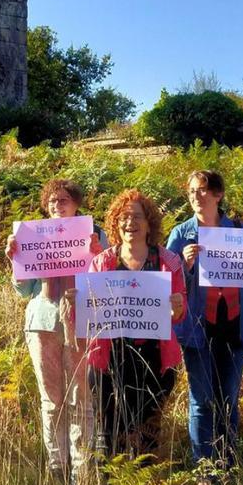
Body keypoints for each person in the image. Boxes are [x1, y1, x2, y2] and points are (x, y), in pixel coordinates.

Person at [6, 179, 106, 485]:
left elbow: (103, 279)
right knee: (51, 399)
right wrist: (15, 259)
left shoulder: (93, 234)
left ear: (76, 203)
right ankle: (56, 466)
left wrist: (98, 254)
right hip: (42, 320)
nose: (56, 204)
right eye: (51, 200)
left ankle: (81, 469)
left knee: (82, 398)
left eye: (63, 199)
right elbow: (23, 290)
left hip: (82, 320)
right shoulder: (31, 235)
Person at [166, 171, 243, 472]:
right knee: (201, 400)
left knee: (229, 399)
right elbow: (167, 284)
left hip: (235, 324)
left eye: (204, 191)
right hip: (198, 327)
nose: (197, 197)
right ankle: (203, 467)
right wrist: (185, 265)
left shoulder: (237, 228)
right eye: (192, 191)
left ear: (218, 195)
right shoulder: (181, 233)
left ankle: (228, 462)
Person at [84, 188, 186, 458]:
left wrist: (176, 307)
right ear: (116, 224)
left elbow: (180, 313)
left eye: (138, 217)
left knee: (147, 434)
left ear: (149, 222)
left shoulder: (168, 261)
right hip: (110, 357)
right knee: (109, 431)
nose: (131, 223)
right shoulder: (102, 262)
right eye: (124, 217)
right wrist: (80, 300)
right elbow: (92, 314)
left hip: (153, 357)